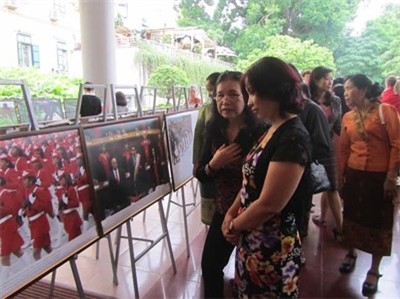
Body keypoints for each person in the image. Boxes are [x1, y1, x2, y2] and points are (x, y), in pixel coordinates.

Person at [222, 57, 311, 298]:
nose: (249, 102)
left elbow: (270, 204)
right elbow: (248, 185)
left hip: (273, 249)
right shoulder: (271, 128)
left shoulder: (292, 138)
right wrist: (231, 213)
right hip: (252, 239)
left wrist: (233, 225)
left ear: (275, 90)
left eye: (253, 93)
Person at [194, 71, 266, 298]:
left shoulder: (261, 131)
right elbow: (201, 174)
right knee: (210, 266)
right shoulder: (214, 129)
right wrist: (214, 164)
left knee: (253, 276)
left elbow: (266, 181)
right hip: (224, 211)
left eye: (233, 94)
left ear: (246, 97)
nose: (225, 101)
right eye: (220, 95)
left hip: (257, 214)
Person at [338, 74, 400, 296]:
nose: (345, 93)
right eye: (344, 89)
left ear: (364, 90)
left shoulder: (386, 112)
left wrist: (391, 177)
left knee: (379, 222)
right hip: (355, 175)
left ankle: (374, 270)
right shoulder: (347, 117)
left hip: (380, 177)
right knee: (352, 217)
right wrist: (340, 176)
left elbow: (397, 144)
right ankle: (351, 253)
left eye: (349, 88)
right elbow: (343, 149)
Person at [309, 66, 343, 239]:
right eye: (326, 78)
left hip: (327, 148)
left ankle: (340, 228)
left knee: (332, 187)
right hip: (307, 148)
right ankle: (301, 231)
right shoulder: (306, 99)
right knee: (304, 188)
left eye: (331, 78)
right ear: (316, 80)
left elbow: (338, 127)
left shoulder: (335, 100)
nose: (330, 81)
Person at [192, 72, 220, 225]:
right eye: (208, 90)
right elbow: (198, 137)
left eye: (212, 89)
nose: (210, 93)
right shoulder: (205, 109)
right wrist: (196, 161)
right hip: (207, 159)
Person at [57, 171, 82, 241]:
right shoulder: (64, 190)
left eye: (61, 179)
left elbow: (76, 203)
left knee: (73, 242)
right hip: (68, 219)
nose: (60, 181)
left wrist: (67, 202)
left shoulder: (71, 189)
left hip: (73, 219)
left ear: (65, 179)